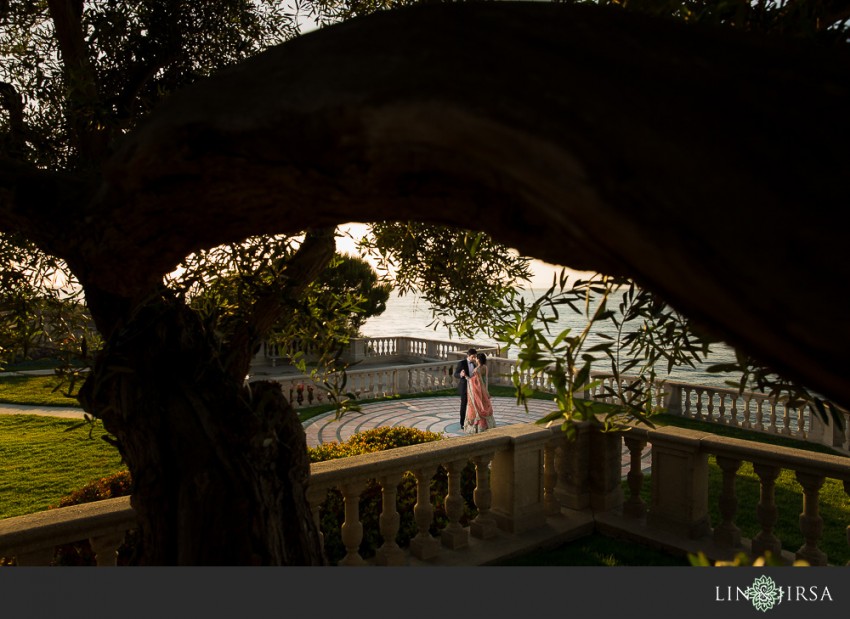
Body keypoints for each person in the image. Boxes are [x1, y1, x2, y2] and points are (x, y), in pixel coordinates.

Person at [463, 352, 496, 434]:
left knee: (477, 407)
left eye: (476, 358)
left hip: (478, 391)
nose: (475, 359)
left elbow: (478, 381)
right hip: (484, 390)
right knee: (484, 406)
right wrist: (486, 391)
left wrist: (466, 377)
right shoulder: (486, 367)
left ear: (478, 359)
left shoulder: (477, 369)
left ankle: (478, 427)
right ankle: (487, 426)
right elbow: (486, 380)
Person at [453, 348, 477, 427]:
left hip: (472, 387)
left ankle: (471, 420)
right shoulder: (462, 363)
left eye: (475, 357)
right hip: (464, 387)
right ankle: (462, 423)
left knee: (472, 405)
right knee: (464, 405)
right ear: (468, 356)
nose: (474, 359)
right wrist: (461, 374)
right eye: (473, 357)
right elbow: (455, 374)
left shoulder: (474, 364)